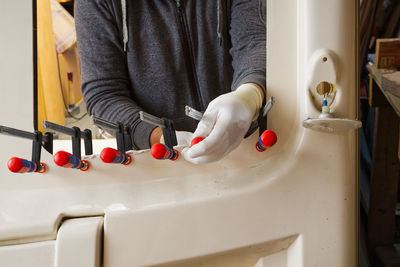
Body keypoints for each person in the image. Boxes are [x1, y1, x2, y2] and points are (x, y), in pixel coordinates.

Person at [75, 0, 266, 164]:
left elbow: (255, 42)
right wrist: (159, 137)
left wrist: (249, 95)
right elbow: (104, 93)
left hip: (249, 149)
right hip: (158, 163)